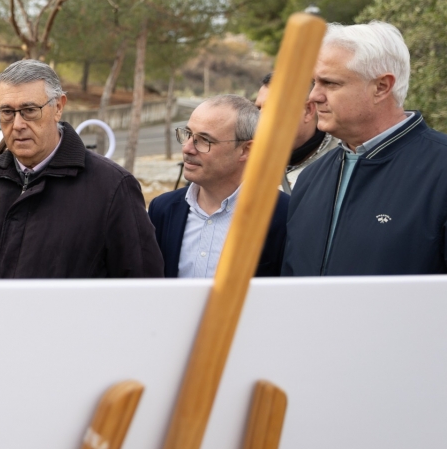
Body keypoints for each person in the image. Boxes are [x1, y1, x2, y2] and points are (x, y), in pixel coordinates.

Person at [0, 60, 163, 278]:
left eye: (30, 110)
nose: (17, 124)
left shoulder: (112, 187)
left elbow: (143, 283)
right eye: (7, 111)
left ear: (58, 107)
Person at [283, 21, 447, 277]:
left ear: (381, 87)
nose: (314, 96)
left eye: (330, 83)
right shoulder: (311, 178)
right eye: (314, 82)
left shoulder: (440, 169)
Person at [147, 95, 288, 278]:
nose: (187, 148)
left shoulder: (285, 214)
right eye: (188, 134)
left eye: (205, 140)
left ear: (246, 150)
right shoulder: (163, 210)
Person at [255, 71, 339, 192]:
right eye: (258, 108)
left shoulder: (341, 164)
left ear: (308, 111)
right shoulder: (247, 161)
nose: (259, 118)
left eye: (272, 109)